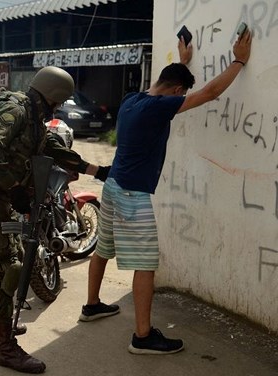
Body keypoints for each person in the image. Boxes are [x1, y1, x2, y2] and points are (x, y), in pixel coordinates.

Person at [79, 30, 253, 355]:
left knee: (103, 248)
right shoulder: (159, 108)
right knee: (146, 264)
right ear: (175, 92)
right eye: (179, 94)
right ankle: (142, 337)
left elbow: (163, 83)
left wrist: (182, 62)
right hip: (132, 195)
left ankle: (92, 305)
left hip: (114, 186)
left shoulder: (133, 99)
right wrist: (239, 60)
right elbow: (211, 92)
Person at [0, 66, 110, 374]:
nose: (60, 106)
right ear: (54, 96)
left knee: (6, 257)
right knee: (8, 265)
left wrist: (96, 170)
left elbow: (49, 147)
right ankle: (6, 348)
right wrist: (15, 187)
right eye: (61, 100)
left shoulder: (33, 116)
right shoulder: (17, 112)